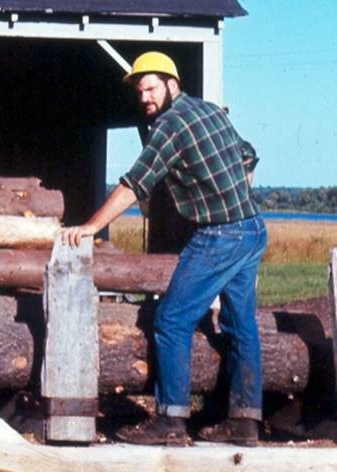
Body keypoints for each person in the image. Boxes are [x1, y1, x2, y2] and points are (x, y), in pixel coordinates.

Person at [63, 51, 265, 446]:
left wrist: (90, 227)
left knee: (171, 320)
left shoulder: (168, 126)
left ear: (173, 85)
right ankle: (244, 422)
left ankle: (170, 422)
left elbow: (135, 184)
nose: (145, 99)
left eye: (152, 89)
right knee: (242, 325)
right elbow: (248, 156)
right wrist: (232, 196)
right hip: (253, 229)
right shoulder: (209, 111)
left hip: (219, 236)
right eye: (140, 92)